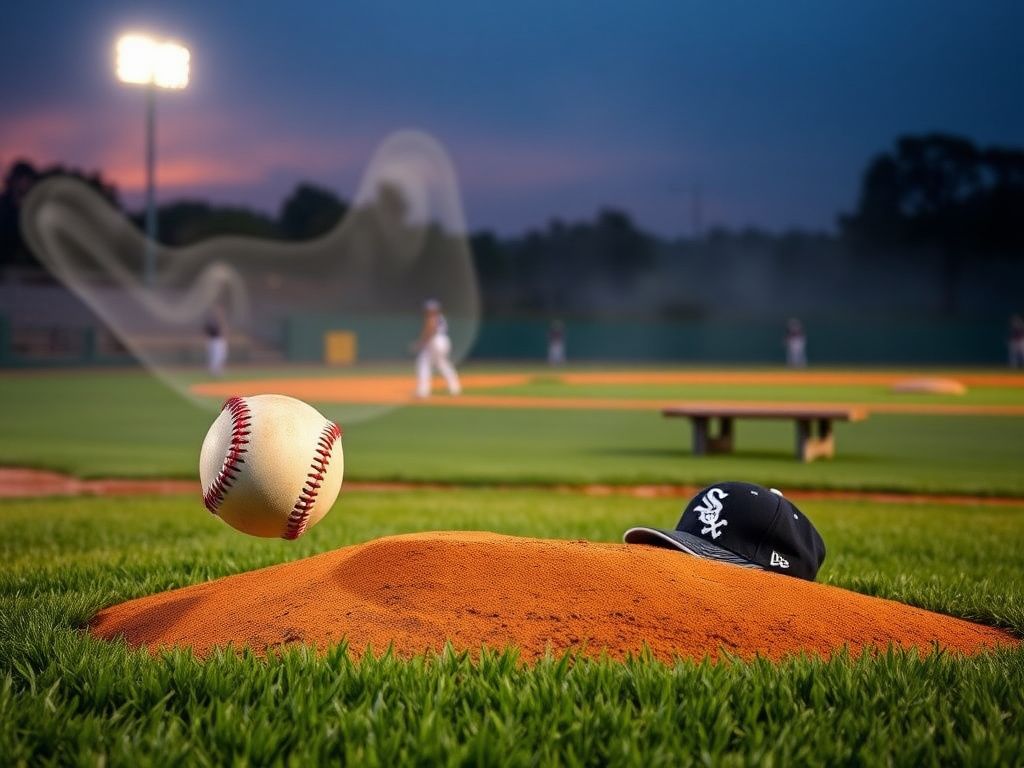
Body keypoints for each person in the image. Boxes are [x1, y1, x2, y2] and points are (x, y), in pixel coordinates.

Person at [413, 299, 461, 398]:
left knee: (423, 363)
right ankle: (455, 388)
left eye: (429, 309)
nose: (427, 311)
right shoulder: (441, 317)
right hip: (444, 341)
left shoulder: (431, 317)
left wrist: (420, 343)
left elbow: (430, 329)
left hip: (435, 341)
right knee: (442, 364)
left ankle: (423, 391)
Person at [204, 307, 228, 376]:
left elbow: (224, 330)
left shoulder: (220, 321)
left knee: (222, 355)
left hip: (220, 340)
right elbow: (207, 331)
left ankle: (218, 369)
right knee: (215, 356)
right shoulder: (210, 322)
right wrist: (206, 340)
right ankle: (214, 370)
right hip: (213, 340)